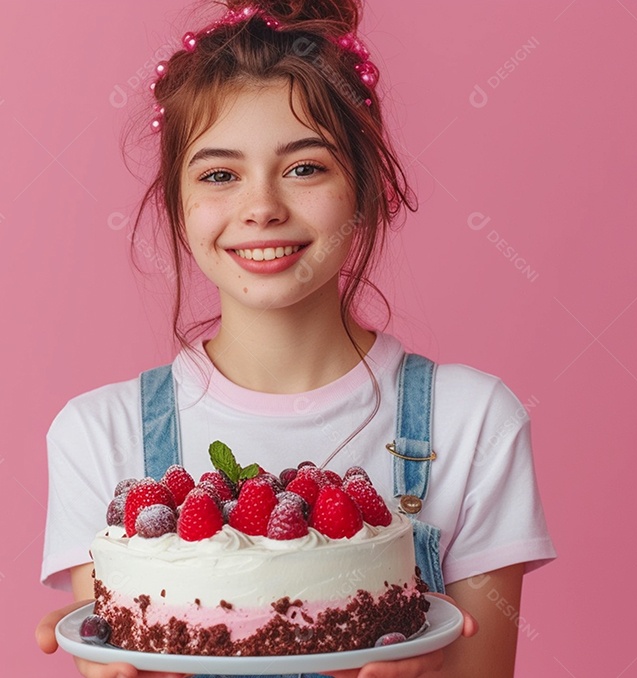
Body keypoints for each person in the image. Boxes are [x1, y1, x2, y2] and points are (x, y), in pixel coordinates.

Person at [34, 1, 556, 676]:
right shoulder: (99, 436)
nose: (262, 207)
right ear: (177, 205)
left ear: (367, 187)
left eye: (305, 167)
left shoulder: (473, 423)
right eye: (219, 174)